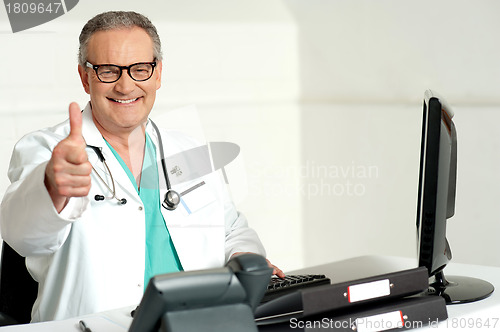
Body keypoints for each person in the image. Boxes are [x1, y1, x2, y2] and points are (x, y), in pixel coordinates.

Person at [0, 11, 283, 322]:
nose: (125, 86)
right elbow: (23, 236)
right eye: (108, 70)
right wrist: (52, 188)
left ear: (158, 74)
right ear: (85, 77)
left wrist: (243, 256)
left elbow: (232, 230)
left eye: (140, 70)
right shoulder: (47, 149)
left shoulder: (188, 152)